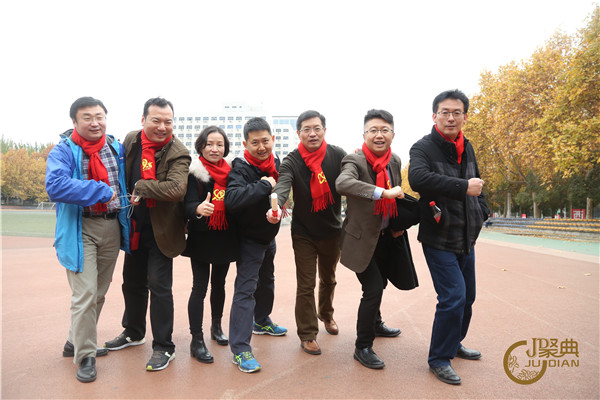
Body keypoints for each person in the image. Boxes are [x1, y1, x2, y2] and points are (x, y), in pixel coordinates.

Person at [45, 96, 130, 383]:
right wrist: (100, 190)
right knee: (84, 295)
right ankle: (85, 356)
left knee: (99, 293)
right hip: (80, 228)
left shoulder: (116, 148)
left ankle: (75, 341)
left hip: (112, 226)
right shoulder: (63, 151)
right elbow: (55, 186)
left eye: (99, 116)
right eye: (87, 117)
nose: (95, 122)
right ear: (74, 121)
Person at [408, 89, 489, 385]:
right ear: (435, 116)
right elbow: (417, 179)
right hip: (439, 237)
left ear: (465, 117)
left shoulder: (468, 146)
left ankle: (454, 343)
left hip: (467, 237)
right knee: (453, 296)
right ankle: (439, 359)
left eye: (457, 112)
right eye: (445, 112)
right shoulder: (423, 147)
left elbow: (478, 183)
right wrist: (462, 186)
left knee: (468, 297)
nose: (451, 117)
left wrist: (483, 210)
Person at [104, 97, 191, 372]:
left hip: (162, 230)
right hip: (134, 226)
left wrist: (141, 186)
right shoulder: (132, 140)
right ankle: (133, 331)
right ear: (143, 120)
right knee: (131, 283)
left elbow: (176, 189)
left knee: (160, 288)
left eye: (168, 122)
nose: (162, 127)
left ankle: (164, 346)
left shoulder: (178, 152)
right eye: (156, 120)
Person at [266, 110, 346, 355]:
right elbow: (283, 185)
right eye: (306, 129)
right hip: (304, 233)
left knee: (329, 279)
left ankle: (326, 314)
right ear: (298, 132)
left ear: (324, 130)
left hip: (332, 230)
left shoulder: (337, 155)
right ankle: (308, 334)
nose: (312, 134)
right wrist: (276, 206)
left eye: (317, 128)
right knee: (306, 284)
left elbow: (352, 176)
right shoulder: (292, 160)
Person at [335, 109, 405, 369]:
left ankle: (376, 323)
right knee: (373, 288)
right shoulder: (354, 160)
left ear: (393, 134)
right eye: (373, 130)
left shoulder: (394, 160)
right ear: (364, 134)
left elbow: (397, 195)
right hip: (360, 239)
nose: (379, 135)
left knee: (381, 284)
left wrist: (398, 224)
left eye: (384, 130)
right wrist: (381, 192)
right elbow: (343, 184)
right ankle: (362, 346)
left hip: (386, 236)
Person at [225, 117, 288, 373]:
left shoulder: (277, 163)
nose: (261, 147)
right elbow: (232, 199)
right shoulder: (240, 168)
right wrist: (264, 185)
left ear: (272, 139)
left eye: (265, 141)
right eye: (255, 143)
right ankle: (240, 349)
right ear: (245, 144)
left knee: (267, 282)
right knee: (246, 290)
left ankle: (261, 321)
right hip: (249, 239)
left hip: (268, 236)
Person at [182, 126, 238, 363]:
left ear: (225, 147)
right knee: (199, 287)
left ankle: (217, 327)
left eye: (219, 144)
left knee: (220, 284)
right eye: (209, 144)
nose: (215, 149)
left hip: (225, 235)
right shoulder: (194, 172)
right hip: (202, 237)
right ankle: (197, 339)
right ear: (201, 147)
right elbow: (186, 204)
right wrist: (197, 208)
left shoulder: (233, 171)